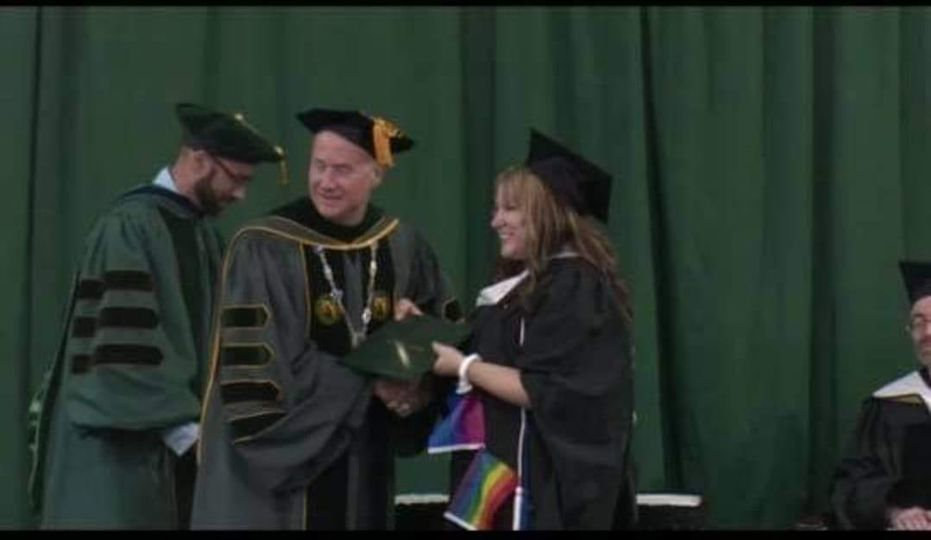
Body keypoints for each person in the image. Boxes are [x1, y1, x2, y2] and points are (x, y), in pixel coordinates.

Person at [191, 108, 461, 530]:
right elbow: (259, 377)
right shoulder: (263, 247)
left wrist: (414, 380)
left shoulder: (403, 245)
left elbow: (443, 337)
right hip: (278, 484)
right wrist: (368, 381)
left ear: (376, 174)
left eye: (342, 170)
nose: (325, 182)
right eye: (318, 166)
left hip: (363, 465)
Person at [26, 102, 285, 529]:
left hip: (175, 459)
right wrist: (192, 438)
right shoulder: (129, 227)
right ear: (199, 161)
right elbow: (121, 356)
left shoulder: (204, 236)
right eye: (236, 179)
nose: (240, 194)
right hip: (116, 460)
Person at [429, 129, 637, 530]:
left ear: (545, 210)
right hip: (495, 470)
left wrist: (464, 367)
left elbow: (544, 388)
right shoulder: (531, 285)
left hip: (540, 484)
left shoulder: (573, 286)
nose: (496, 221)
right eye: (496, 209)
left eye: (509, 208)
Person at [830, 260, 931, 530]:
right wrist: (894, 513)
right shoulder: (890, 405)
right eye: (918, 323)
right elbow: (850, 487)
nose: (927, 333)